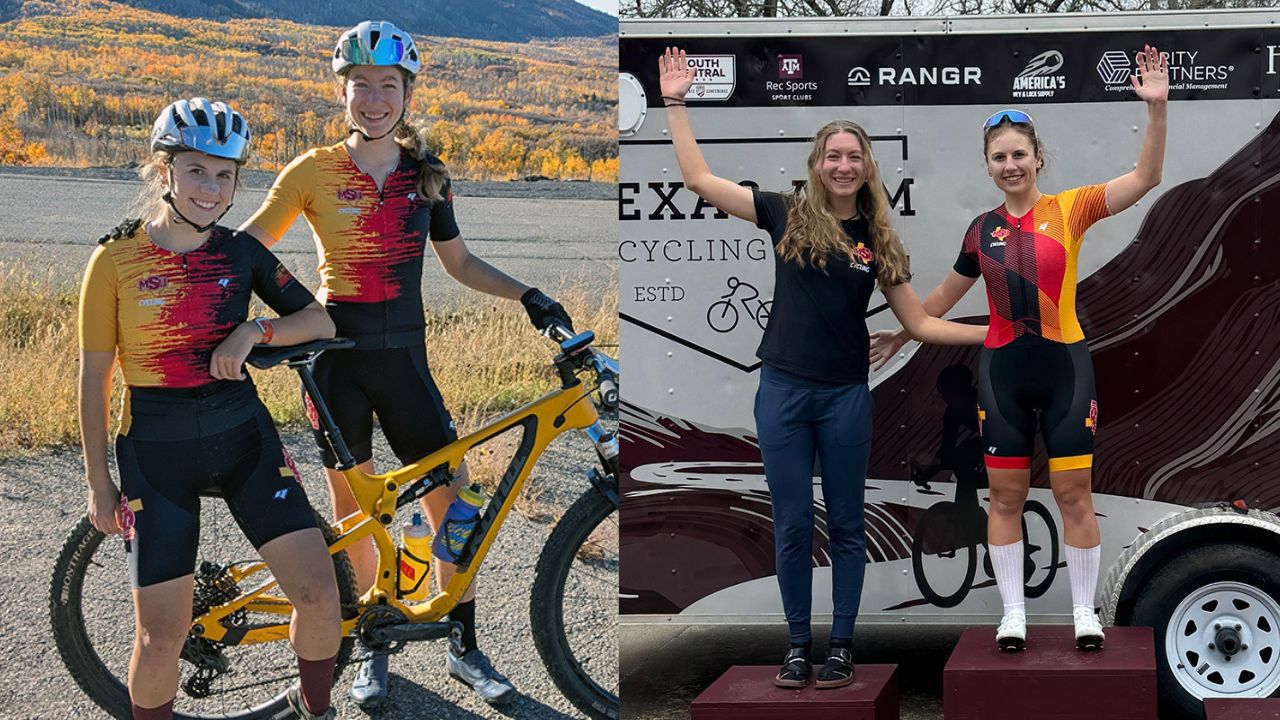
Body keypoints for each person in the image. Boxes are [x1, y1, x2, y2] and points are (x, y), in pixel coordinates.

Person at [239, 20, 573, 708]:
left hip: (406, 363)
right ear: (341, 92)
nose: (374, 99)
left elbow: (460, 263)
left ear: (407, 95)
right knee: (356, 519)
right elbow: (245, 249)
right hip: (335, 366)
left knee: (456, 508)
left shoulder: (428, 176)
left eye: (387, 85)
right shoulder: (311, 170)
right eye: (360, 85)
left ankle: (464, 644)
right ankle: (373, 643)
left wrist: (528, 295)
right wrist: (191, 271)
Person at [658, 47, 986, 688]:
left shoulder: (879, 241)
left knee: (845, 525)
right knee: (791, 525)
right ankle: (796, 648)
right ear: (817, 164)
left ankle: (840, 648)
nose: (842, 165)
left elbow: (920, 324)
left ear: (867, 168)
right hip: (782, 392)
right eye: (833, 156)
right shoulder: (785, 213)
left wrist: (995, 333)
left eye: (853, 157)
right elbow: (698, 180)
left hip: (845, 398)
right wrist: (674, 103)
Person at [870, 46, 1169, 651]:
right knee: (1004, 497)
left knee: (1073, 494)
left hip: (1065, 369)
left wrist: (1156, 110)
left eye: (1019, 155)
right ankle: (1013, 615)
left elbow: (1145, 179)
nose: (1011, 165)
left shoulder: (1072, 209)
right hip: (1002, 373)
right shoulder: (980, 231)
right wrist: (903, 332)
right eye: (999, 157)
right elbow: (939, 301)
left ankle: (1084, 613)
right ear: (988, 166)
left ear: (1038, 158)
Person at [78, 98, 342, 720]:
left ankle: (316, 710)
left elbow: (319, 320)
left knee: (320, 596)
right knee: (161, 637)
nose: (211, 188)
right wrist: (98, 483)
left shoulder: (240, 252)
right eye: (196, 170)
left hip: (244, 438)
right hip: (157, 453)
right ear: (163, 170)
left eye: (225, 175)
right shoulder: (114, 260)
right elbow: (93, 379)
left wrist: (254, 331)